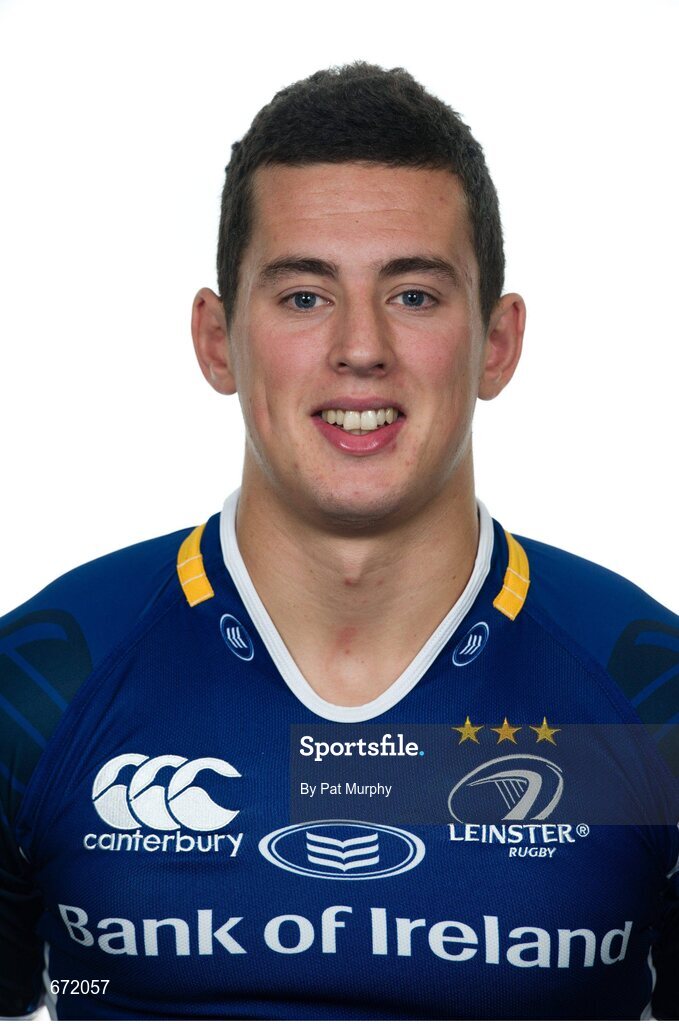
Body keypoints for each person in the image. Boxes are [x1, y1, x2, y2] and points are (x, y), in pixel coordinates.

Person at [1, 61, 677, 1022]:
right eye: (303, 296)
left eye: (414, 295)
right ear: (217, 340)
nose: (361, 348)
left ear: (496, 344)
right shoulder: (38, 685)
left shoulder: (649, 695)